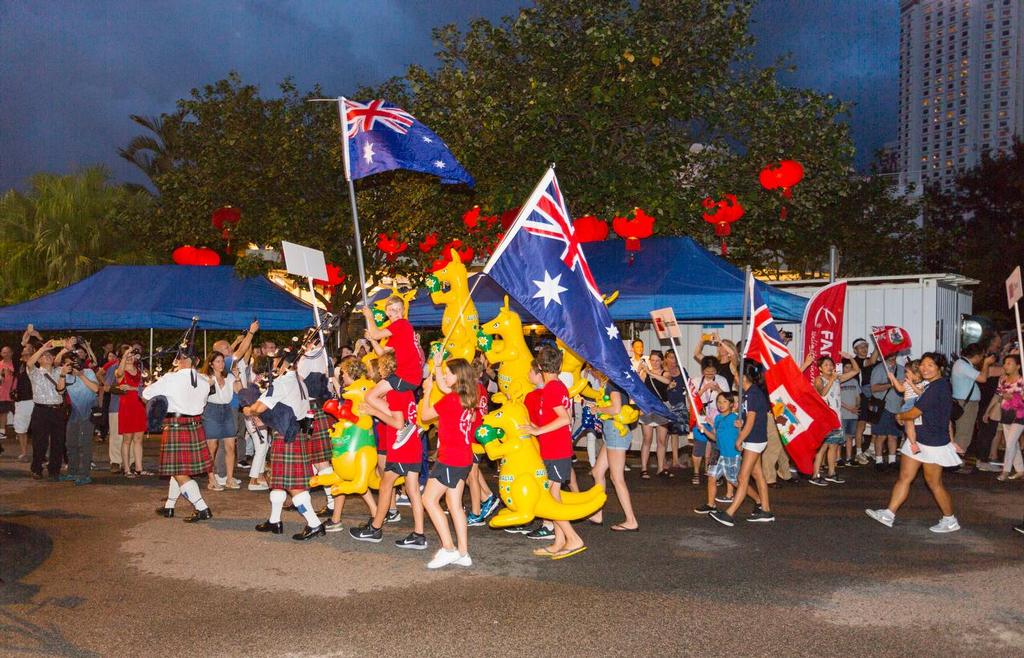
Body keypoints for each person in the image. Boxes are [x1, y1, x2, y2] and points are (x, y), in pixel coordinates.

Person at [866, 353, 963, 533]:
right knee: (905, 477)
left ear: (939, 368)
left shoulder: (938, 387)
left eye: (931, 365)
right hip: (918, 438)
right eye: (923, 365)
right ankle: (889, 514)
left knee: (934, 483)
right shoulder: (930, 385)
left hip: (933, 442)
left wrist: (900, 416)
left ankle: (950, 520)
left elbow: (913, 412)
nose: (925, 369)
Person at [244, 349, 325, 541]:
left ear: (283, 363)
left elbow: (259, 408)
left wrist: (248, 409)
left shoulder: (281, 383)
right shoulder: (300, 382)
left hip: (287, 437)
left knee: (295, 486)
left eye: (276, 362)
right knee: (278, 483)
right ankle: (274, 521)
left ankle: (314, 524)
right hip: (297, 434)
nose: (273, 366)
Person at [349, 357, 428, 549]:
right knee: (412, 490)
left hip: (401, 447)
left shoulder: (395, 392)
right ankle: (419, 534)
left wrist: (374, 412)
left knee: (386, 486)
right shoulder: (407, 390)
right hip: (413, 446)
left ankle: (375, 528)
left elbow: (398, 423)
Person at [418, 355, 478, 569]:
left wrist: (426, 392)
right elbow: (444, 387)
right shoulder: (469, 397)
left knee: (429, 500)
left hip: (450, 459)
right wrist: (435, 368)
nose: (444, 376)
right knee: (454, 505)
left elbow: (425, 416)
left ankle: (449, 548)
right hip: (463, 459)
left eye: (448, 373)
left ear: (457, 376)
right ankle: (463, 553)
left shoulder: (451, 400)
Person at [144, 348, 214, 523]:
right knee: (177, 470)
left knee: (179, 472)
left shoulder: (171, 378)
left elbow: (146, 394)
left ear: (178, 360)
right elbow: (203, 403)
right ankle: (169, 506)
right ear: (197, 361)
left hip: (176, 426)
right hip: (195, 426)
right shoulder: (205, 381)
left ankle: (202, 508)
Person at [710, 364, 775, 526]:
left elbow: (752, 420)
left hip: (754, 440)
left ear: (743, 377)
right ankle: (765, 509)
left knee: (741, 477)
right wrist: (742, 422)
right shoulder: (749, 394)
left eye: (737, 375)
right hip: (755, 439)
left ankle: (729, 513)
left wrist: (739, 439)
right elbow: (750, 418)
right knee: (758, 475)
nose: (735, 378)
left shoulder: (753, 394)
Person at [361, 296, 424, 447]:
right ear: (387, 313)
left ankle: (404, 424)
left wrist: (370, 318)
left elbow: (376, 333)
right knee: (378, 397)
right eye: (391, 309)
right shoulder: (399, 330)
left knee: (370, 396)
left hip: (406, 374)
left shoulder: (401, 324)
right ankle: (405, 423)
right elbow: (382, 353)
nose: (395, 312)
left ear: (403, 311)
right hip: (409, 375)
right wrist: (372, 340)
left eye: (398, 309)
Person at [586, 369, 639, 532]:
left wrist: (598, 410)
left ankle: (631, 520)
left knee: (617, 478)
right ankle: (597, 514)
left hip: (616, 432)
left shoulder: (612, 383)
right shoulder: (613, 381)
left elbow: (616, 409)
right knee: (597, 472)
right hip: (612, 432)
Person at [808, 354, 860, 486]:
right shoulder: (819, 380)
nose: (829, 367)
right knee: (823, 447)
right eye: (826, 365)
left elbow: (856, 371)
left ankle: (831, 473)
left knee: (834, 446)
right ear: (820, 368)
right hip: (825, 419)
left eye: (831, 365)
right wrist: (831, 379)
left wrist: (850, 358)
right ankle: (815, 475)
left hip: (836, 418)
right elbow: (822, 394)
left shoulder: (837, 379)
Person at [694, 392, 747, 514]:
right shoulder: (717, 418)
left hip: (731, 454)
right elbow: (715, 437)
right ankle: (710, 504)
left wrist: (742, 426)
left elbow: (743, 433)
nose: (721, 404)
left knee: (735, 481)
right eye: (719, 402)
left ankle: (757, 500)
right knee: (711, 477)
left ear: (731, 404)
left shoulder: (736, 418)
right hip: (718, 452)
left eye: (725, 402)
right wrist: (704, 430)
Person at [25, 339, 70, 480]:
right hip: (41, 410)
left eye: (50, 355)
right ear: (39, 360)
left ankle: (54, 469)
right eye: (45, 356)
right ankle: (36, 468)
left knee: (58, 441)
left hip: (57, 410)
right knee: (40, 441)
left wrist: (64, 350)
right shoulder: (35, 372)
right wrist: (42, 349)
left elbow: (61, 389)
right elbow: (29, 363)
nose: (48, 357)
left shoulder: (58, 371)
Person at [950, 343, 996, 473]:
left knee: (964, 432)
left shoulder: (962, 364)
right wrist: (986, 364)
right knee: (964, 433)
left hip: (966, 402)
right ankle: (957, 464)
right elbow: (982, 378)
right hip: (966, 403)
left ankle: (958, 462)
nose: (982, 359)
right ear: (976, 356)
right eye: (981, 356)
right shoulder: (963, 365)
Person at [200, 352, 242, 491]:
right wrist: (207, 385)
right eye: (218, 361)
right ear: (211, 364)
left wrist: (237, 378)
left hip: (227, 410)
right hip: (211, 411)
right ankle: (212, 480)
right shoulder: (206, 378)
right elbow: (200, 396)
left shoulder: (229, 377)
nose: (221, 364)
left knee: (230, 446)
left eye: (222, 361)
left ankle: (230, 479)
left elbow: (240, 391)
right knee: (212, 447)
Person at [690, 356, 731, 486]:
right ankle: (696, 472)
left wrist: (718, 390)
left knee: (716, 447)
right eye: (707, 371)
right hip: (701, 418)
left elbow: (729, 399)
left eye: (713, 371)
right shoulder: (695, 381)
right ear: (702, 370)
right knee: (699, 446)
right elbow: (691, 400)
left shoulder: (722, 380)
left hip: (717, 418)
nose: (710, 373)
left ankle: (714, 473)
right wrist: (704, 388)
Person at [60, 352, 100, 485]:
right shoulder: (65, 375)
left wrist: (81, 375)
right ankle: (72, 472)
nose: (72, 365)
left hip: (88, 412)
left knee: (85, 444)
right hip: (75, 412)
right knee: (71, 443)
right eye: (68, 363)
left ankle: (85, 474)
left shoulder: (88, 372)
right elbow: (59, 390)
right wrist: (62, 373)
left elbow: (95, 388)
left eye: (74, 361)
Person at [985, 354, 1024, 481]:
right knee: (1012, 443)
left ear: (1018, 366)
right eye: (1005, 363)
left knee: (1011, 442)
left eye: (1009, 363)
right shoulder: (1002, 379)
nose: (1005, 366)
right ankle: (1020, 470)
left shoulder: (1022, 381)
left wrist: (1014, 397)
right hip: (1006, 414)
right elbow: (997, 396)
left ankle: (1005, 471)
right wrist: (987, 412)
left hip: (1020, 415)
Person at [636, 350, 672, 479]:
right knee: (647, 439)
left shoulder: (665, 373)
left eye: (657, 360)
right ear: (649, 361)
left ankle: (661, 468)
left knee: (662, 440)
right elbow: (637, 385)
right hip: (647, 408)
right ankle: (644, 468)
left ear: (662, 361)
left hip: (661, 408)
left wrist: (650, 372)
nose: (655, 363)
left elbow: (666, 381)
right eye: (652, 360)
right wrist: (639, 370)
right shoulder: (645, 374)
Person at [116, 346, 149, 478]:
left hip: (139, 406)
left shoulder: (141, 371)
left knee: (138, 439)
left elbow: (146, 388)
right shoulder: (120, 371)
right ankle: (127, 469)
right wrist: (125, 356)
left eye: (132, 355)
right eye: (127, 355)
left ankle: (139, 468)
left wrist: (132, 388)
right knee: (127, 439)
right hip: (127, 407)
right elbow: (118, 376)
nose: (130, 357)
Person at [868, 353, 905, 471]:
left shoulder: (901, 369)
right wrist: (891, 384)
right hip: (883, 407)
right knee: (881, 435)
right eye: (890, 355)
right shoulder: (879, 369)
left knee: (893, 435)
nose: (893, 357)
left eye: (894, 355)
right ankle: (879, 461)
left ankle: (892, 461)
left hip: (897, 407)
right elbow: (873, 388)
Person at [851, 338, 881, 464]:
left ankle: (871, 448)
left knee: (875, 423)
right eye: (861, 347)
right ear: (855, 350)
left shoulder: (874, 362)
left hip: (874, 395)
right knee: (861, 424)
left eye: (866, 346)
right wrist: (878, 344)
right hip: (862, 395)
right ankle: (858, 452)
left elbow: (874, 361)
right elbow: (871, 360)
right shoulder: (857, 361)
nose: (864, 349)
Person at [662, 350, 688, 471]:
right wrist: (668, 387)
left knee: (675, 432)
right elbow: (658, 390)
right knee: (664, 434)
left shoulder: (682, 371)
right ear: (666, 359)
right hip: (667, 405)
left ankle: (675, 460)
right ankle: (662, 460)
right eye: (671, 358)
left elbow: (688, 386)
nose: (673, 360)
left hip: (680, 404)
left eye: (675, 358)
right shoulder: (663, 372)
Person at [12, 343, 36, 463]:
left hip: (35, 399)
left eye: (29, 347)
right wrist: (23, 341)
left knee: (40, 428)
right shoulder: (19, 365)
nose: (26, 348)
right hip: (21, 401)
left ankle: (42, 454)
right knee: (21, 428)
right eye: (24, 348)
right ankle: (24, 453)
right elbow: (15, 354)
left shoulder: (36, 362)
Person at [838, 355, 862, 467]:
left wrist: (856, 406)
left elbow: (858, 396)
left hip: (853, 414)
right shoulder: (838, 381)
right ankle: (838, 458)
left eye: (850, 367)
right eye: (846, 367)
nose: (848, 369)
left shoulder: (854, 381)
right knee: (839, 437)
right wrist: (849, 408)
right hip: (843, 413)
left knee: (849, 436)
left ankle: (848, 458)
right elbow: (837, 398)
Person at [0, 345, 15, 447]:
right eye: (4, 352)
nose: (6, 354)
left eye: (8, 352)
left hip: (14, 394)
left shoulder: (15, 364)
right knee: (2, 413)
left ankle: (22, 432)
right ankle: (2, 432)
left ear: (12, 353)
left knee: (18, 413)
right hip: (1, 393)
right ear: (1, 354)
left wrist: (11, 372)